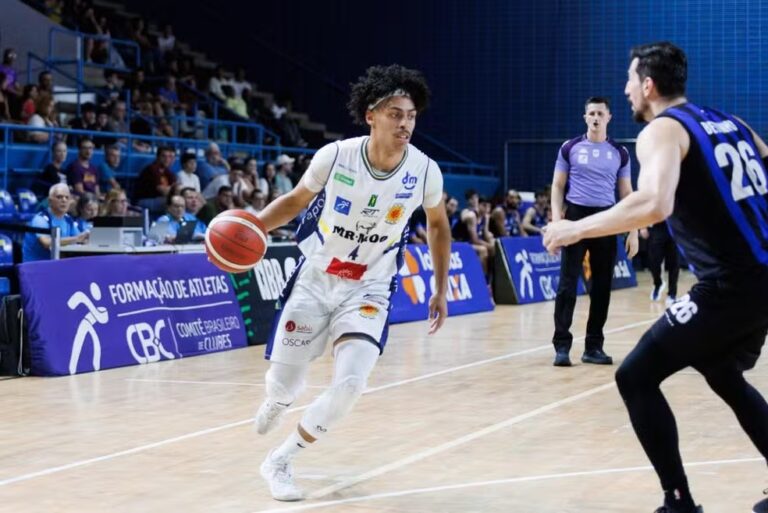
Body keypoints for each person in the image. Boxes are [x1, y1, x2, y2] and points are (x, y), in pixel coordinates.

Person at [543, 42, 768, 513]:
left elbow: (654, 203)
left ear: (648, 85)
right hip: (759, 278)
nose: (626, 90)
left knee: (635, 376)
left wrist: (574, 229)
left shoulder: (662, 131)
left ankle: (678, 502)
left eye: (630, 80)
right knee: (723, 373)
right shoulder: (731, 122)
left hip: (731, 285)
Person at [253, 64, 451, 502]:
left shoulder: (425, 170)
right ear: (371, 115)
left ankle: (281, 460)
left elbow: (438, 226)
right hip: (316, 278)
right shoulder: (336, 156)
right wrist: (253, 228)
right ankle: (278, 400)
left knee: (350, 384)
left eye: (411, 116)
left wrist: (439, 289)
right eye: (395, 114)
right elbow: (294, 201)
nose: (405, 124)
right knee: (284, 384)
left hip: (370, 287)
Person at [549, 96, 639, 367]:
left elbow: (627, 194)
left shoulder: (620, 153)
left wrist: (633, 231)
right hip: (575, 216)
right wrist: (557, 221)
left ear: (609, 117)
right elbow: (557, 186)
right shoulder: (570, 147)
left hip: (606, 219)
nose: (596, 118)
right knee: (567, 284)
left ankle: (593, 347)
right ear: (585, 117)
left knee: (601, 287)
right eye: (591, 113)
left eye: (600, 113)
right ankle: (562, 346)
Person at [22, 184, 88, 262]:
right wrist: (76, 239)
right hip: (36, 265)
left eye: (67, 197)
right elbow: (46, 243)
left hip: (57, 264)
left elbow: (80, 239)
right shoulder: (40, 219)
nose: (64, 200)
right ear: (50, 201)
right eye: (59, 197)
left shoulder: (68, 219)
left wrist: (86, 237)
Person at [640, 221, 680, 306]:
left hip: (674, 227)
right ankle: (658, 283)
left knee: (674, 263)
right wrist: (643, 226)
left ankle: (672, 293)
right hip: (657, 226)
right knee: (654, 260)